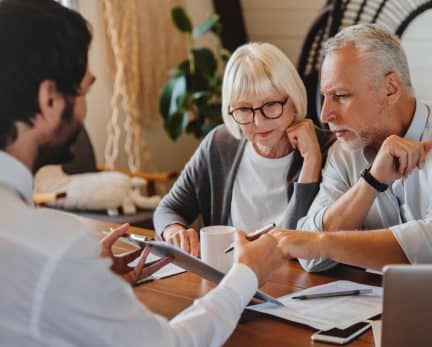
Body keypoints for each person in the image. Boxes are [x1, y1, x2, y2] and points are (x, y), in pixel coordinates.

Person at [0, 1, 282, 346]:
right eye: (85, 91)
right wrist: (245, 276)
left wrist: (93, 287)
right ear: (49, 100)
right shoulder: (54, 249)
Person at [270, 24, 432, 272]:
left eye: (341, 95)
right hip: (389, 306)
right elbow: (310, 259)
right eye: (325, 96)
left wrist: (322, 243)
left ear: (390, 89)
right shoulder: (343, 154)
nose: (325, 114)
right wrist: (371, 182)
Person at [154, 42, 335, 257]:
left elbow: (300, 242)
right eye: (243, 109)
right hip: (231, 277)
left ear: (293, 100)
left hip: (296, 282)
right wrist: (174, 230)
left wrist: (312, 162)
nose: (258, 121)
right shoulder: (221, 143)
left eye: (270, 105)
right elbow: (168, 209)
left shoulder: (328, 150)